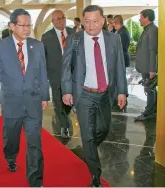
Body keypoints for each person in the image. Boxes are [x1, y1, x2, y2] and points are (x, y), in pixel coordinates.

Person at [61, 5, 127, 187]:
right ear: (83, 21)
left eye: (95, 21)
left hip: (105, 93)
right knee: (88, 134)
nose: (91, 26)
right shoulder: (74, 40)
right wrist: (66, 91)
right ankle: (95, 174)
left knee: (104, 129)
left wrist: (122, 91)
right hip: (84, 94)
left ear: (103, 20)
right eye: (87, 21)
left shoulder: (113, 39)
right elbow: (66, 67)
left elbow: (120, 66)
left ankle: (88, 150)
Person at [0, 9, 50, 187]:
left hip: (33, 101)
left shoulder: (37, 46)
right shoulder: (0, 47)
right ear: (12, 26)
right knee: (11, 137)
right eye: (22, 25)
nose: (26, 29)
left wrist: (45, 96)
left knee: (34, 142)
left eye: (28, 25)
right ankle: (10, 156)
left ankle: (35, 180)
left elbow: (42, 72)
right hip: (10, 102)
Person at [41, 10, 74, 138]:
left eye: (62, 18)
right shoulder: (46, 37)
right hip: (55, 76)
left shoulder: (73, 33)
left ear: (65, 19)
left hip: (72, 75)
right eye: (56, 19)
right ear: (52, 22)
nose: (59, 21)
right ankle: (64, 125)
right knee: (58, 102)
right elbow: (43, 58)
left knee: (70, 101)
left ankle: (65, 115)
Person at [134, 9, 158, 121]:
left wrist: (152, 70)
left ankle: (149, 112)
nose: (139, 19)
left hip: (149, 68)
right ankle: (153, 109)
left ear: (146, 17)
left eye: (141, 17)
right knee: (150, 89)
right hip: (145, 66)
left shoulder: (153, 30)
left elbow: (153, 50)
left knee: (150, 89)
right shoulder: (148, 29)